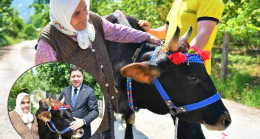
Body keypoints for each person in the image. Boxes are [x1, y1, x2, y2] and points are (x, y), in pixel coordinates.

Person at [35, 0, 161, 138]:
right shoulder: (48, 42)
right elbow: (47, 84)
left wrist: (147, 36)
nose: (84, 16)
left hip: (103, 105)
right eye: (76, 13)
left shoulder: (92, 21)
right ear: (62, 13)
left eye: (85, 9)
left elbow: (117, 31)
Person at [138, 0, 224, 138]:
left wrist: (182, 57)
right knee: (184, 123)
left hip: (191, 76)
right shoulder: (178, 2)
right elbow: (167, 30)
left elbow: (204, 33)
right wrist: (151, 31)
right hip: (175, 73)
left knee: (187, 127)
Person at [59, 65, 98, 139]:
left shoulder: (89, 91)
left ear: (82, 76)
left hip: (83, 133)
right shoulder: (64, 91)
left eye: (78, 76)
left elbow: (95, 111)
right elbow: (60, 110)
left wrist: (83, 121)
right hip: (66, 133)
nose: (76, 78)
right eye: (73, 76)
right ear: (70, 78)